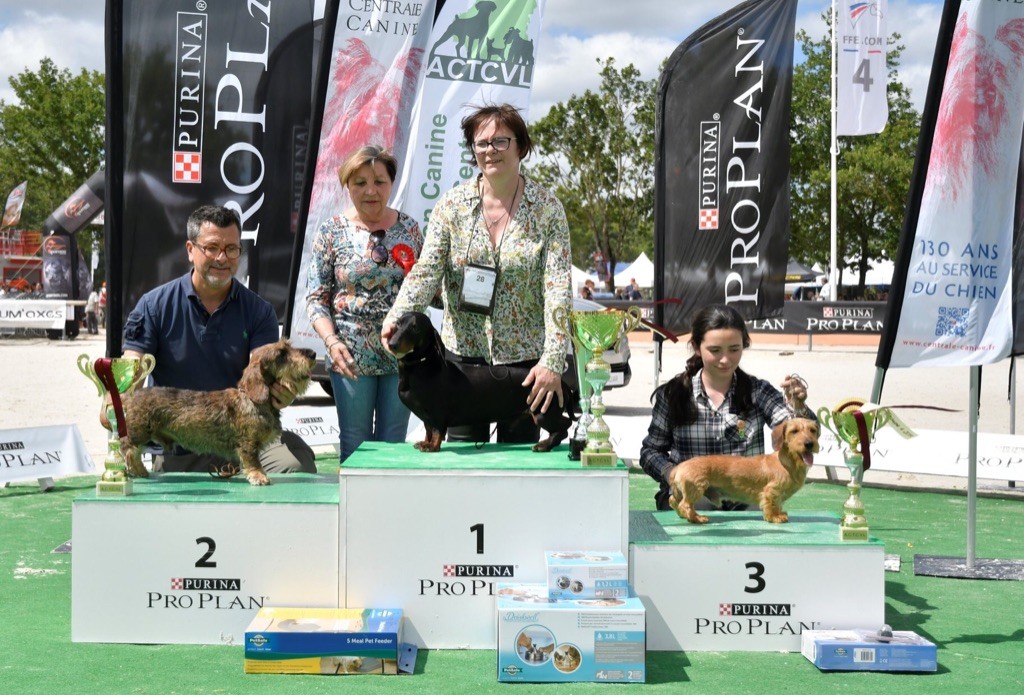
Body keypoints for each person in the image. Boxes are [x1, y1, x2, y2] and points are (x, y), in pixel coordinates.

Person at [380, 103, 572, 444]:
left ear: (521, 146)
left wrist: (553, 361)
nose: (489, 151)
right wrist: (397, 317)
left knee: (519, 474)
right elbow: (426, 272)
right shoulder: (451, 206)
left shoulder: (548, 209)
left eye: (500, 141)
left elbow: (558, 288)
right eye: (481, 143)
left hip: (525, 368)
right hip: (460, 364)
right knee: (462, 476)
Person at [117, 205, 316, 476]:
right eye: (211, 248)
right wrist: (116, 401)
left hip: (244, 439)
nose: (222, 258)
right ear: (190, 250)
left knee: (295, 466)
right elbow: (132, 369)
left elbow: (264, 371)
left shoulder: (259, 311)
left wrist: (283, 392)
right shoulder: (153, 306)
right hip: (183, 442)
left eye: (232, 249)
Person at [306, 146, 423, 462]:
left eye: (379, 182)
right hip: (349, 358)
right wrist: (331, 343)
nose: (371, 191)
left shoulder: (411, 230)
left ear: (391, 184)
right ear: (347, 185)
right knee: (355, 445)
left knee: (392, 444)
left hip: (402, 355)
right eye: (360, 182)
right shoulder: (331, 231)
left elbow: (428, 291)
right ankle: (353, 513)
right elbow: (316, 299)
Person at [639, 304, 813, 511]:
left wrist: (799, 407)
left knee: (761, 509)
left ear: (744, 345)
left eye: (734, 349)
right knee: (699, 504)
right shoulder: (671, 395)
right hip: (692, 492)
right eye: (715, 350)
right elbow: (650, 451)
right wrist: (672, 472)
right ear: (696, 347)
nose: (725, 359)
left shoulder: (759, 392)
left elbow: (792, 427)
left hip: (745, 500)